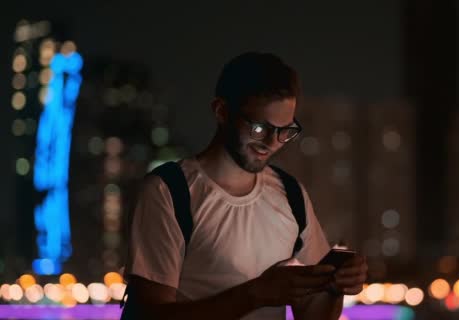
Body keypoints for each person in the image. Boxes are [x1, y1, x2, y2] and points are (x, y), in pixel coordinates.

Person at [123, 52, 368, 320]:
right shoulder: (170, 191)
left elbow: (314, 314)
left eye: (285, 131)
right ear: (222, 111)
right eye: (260, 129)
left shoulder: (291, 194)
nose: (272, 143)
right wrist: (255, 294)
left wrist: (335, 286)